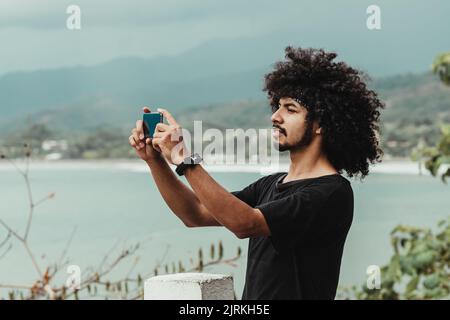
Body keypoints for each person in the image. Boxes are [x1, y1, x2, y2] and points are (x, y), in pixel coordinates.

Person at [128, 47, 384, 299]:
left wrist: (185, 158)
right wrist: (156, 161)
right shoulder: (270, 185)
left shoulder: (331, 192)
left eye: (290, 109)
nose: (275, 116)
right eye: (278, 106)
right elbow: (195, 214)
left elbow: (245, 223)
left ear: (320, 125)